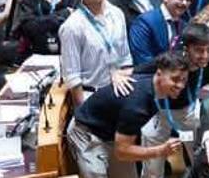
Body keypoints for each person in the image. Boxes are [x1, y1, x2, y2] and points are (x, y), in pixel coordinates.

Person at [66, 50, 189, 178]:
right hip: (87, 133)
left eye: (184, 80)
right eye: (175, 79)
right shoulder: (137, 105)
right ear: (159, 74)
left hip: (113, 134)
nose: (180, 85)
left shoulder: (157, 81)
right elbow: (122, 151)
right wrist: (160, 151)